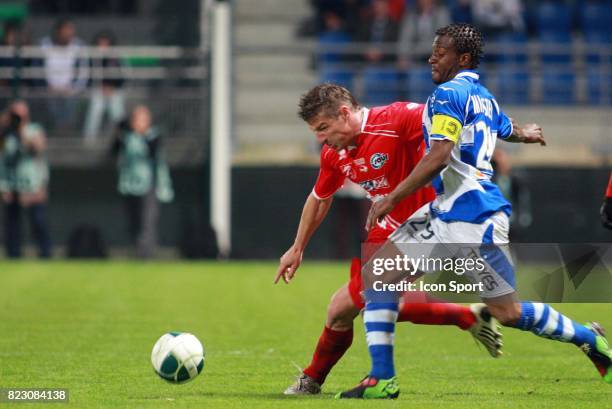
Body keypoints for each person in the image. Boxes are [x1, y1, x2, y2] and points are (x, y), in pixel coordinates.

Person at [337, 23, 611, 399]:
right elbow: (501, 126)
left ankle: (588, 340)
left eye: (441, 51)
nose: (432, 57)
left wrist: (392, 197)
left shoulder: (446, 94)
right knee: (379, 277)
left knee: (507, 313)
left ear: (462, 58)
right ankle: (381, 379)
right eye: (433, 50)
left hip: (472, 217)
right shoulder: (483, 96)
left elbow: (438, 155)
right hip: (446, 212)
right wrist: (524, 132)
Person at [277, 84, 502, 395]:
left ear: (344, 113)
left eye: (323, 128)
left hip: (428, 224)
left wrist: (506, 129)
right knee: (355, 306)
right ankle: (470, 315)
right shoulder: (334, 153)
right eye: (316, 131)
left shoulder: (396, 119)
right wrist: (297, 247)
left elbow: (448, 121)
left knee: (344, 306)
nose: (320, 138)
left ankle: (318, 379)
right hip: (385, 229)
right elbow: (319, 198)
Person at [110, 105, 173, 258]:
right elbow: (113, 152)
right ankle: (137, 252)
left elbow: (152, 153)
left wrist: (142, 135)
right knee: (134, 222)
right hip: (130, 185)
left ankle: (146, 256)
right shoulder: (127, 138)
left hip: (149, 185)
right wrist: (119, 133)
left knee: (147, 223)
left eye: (143, 119)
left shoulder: (154, 137)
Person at [0, 100, 51, 258]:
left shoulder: (34, 129)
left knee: (38, 222)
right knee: (12, 224)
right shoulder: (6, 134)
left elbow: (38, 149)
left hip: (33, 183)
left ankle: (45, 254)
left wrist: (21, 131)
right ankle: (13, 255)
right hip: (12, 183)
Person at [39, 18, 89, 131]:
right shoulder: (44, 45)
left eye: (71, 30)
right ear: (58, 31)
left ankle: (66, 131)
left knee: (71, 103)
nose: (69, 34)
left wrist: (73, 88)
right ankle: (53, 131)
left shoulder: (79, 46)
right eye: (66, 30)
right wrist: (46, 87)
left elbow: (84, 73)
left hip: (71, 90)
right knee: (46, 102)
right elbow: (36, 70)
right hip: (48, 90)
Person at [83, 30, 126, 142]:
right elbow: (88, 78)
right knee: (96, 108)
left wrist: (112, 87)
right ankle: (89, 139)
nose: (103, 46)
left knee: (117, 112)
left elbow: (123, 77)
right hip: (97, 90)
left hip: (115, 91)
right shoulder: (92, 58)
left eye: (105, 43)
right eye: (100, 43)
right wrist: (101, 87)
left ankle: (120, 139)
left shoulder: (117, 57)